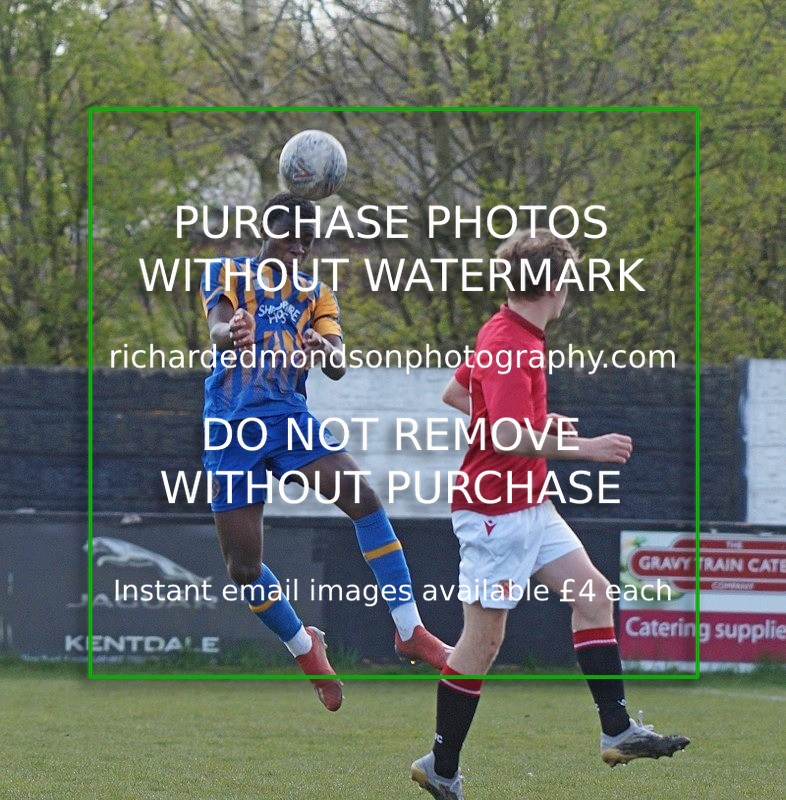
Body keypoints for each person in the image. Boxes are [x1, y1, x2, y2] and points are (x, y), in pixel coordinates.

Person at [410, 229, 689, 798]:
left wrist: (540, 425)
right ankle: (440, 767)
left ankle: (618, 730)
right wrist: (585, 447)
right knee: (480, 646)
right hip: (496, 512)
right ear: (555, 285)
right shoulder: (515, 342)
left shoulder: (505, 329)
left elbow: (459, 395)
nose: (571, 292)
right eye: (570, 281)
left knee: (593, 594)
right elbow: (509, 433)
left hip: (529, 502)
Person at [200, 192, 450, 712]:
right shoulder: (227, 271)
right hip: (231, 425)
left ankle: (410, 630)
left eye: (307, 242)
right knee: (243, 568)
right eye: (290, 237)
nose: (298, 248)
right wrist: (233, 332)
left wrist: (324, 349)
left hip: (289, 417)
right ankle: (304, 646)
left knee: (364, 500)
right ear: (267, 229)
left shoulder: (317, 293)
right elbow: (218, 331)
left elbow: (336, 363)